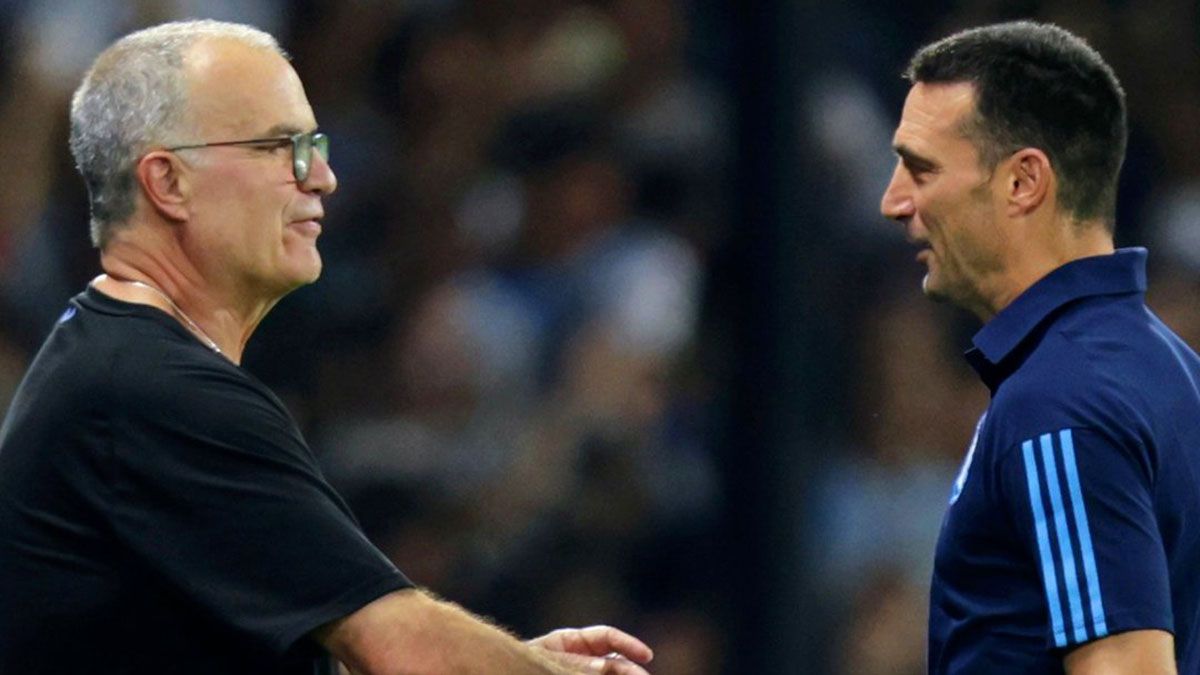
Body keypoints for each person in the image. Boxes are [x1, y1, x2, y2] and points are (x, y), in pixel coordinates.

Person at [0, 20, 654, 675]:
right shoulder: (154, 390)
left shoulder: (122, 367)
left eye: (315, 144)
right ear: (168, 182)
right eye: (280, 147)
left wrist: (508, 659)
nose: (323, 178)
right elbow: (396, 647)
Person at [880, 21, 1199, 675]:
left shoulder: (1058, 400)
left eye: (921, 168)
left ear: (1024, 182)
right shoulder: (1173, 369)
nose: (894, 201)